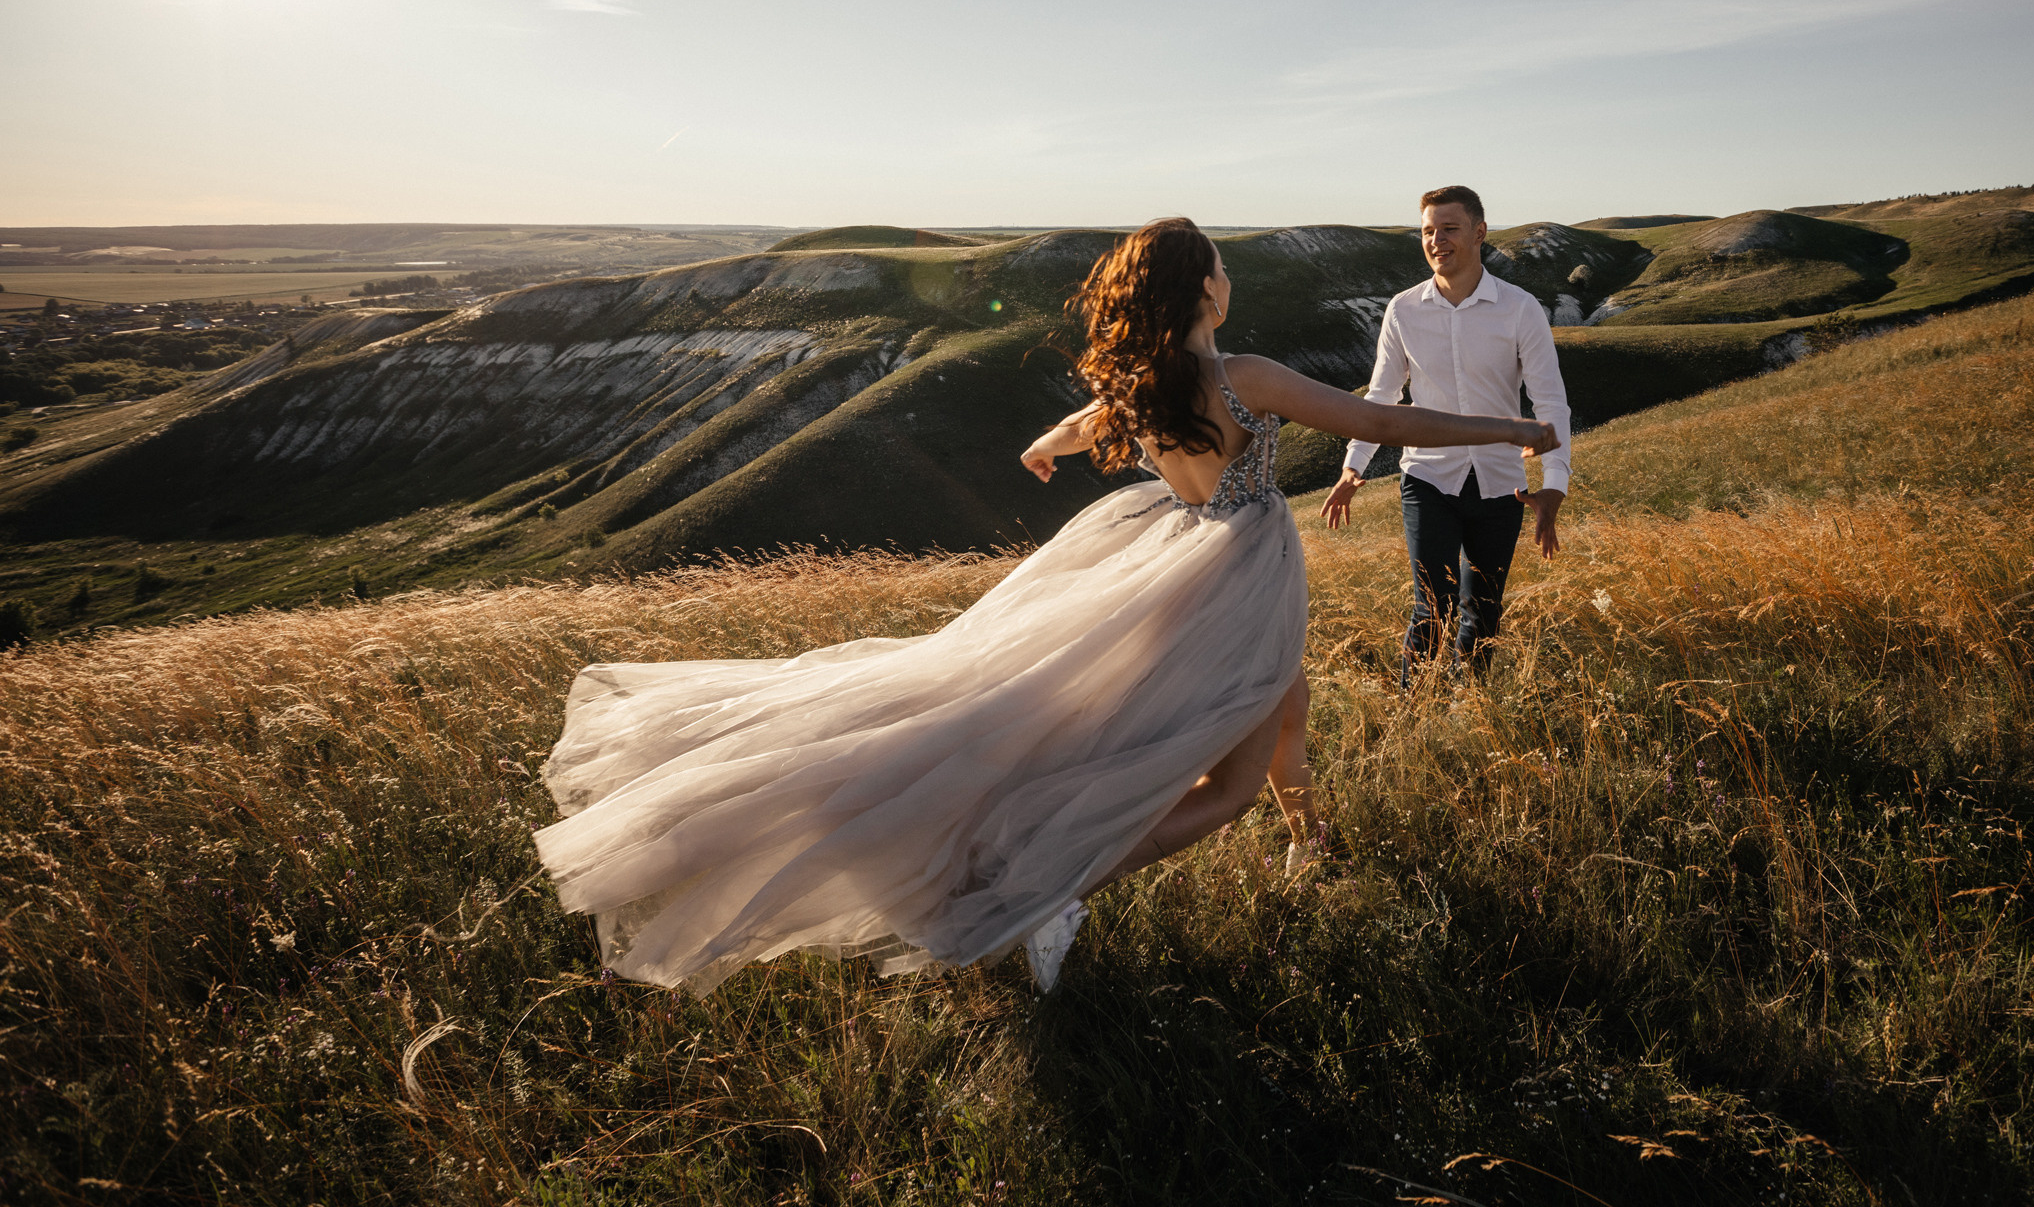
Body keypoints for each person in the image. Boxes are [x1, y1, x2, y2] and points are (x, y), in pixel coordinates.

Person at [536, 217, 1557, 994]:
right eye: (1221, 268)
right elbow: (1384, 415)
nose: (1229, 277)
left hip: (1177, 554)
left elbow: (1083, 420)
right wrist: (1507, 424)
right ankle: (1051, 892)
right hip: (1241, 572)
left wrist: (1045, 446)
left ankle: (1310, 842)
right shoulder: (1245, 375)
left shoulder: (1143, 380)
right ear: (1208, 286)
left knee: (1283, 702)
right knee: (1225, 779)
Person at [1319, 185, 1571, 684]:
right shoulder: (1403, 310)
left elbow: (1550, 403)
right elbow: (1381, 397)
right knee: (1431, 607)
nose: (1437, 240)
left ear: (1480, 232)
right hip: (1427, 479)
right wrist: (1353, 468)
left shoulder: (1520, 309)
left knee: (1483, 611)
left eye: (1449, 229)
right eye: (1428, 231)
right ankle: (1412, 716)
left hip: (1503, 484)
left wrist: (1555, 485)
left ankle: (1468, 712)